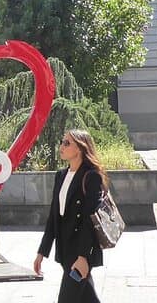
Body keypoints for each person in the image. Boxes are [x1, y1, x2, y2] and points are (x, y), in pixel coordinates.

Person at [34, 129, 106, 303]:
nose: (62, 146)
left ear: (80, 148)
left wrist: (83, 256)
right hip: (65, 248)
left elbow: (90, 219)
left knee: (66, 298)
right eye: (62, 141)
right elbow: (54, 217)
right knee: (87, 297)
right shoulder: (61, 175)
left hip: (81, 250)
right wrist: (42, 251)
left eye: (67, 143)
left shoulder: (91, 177)